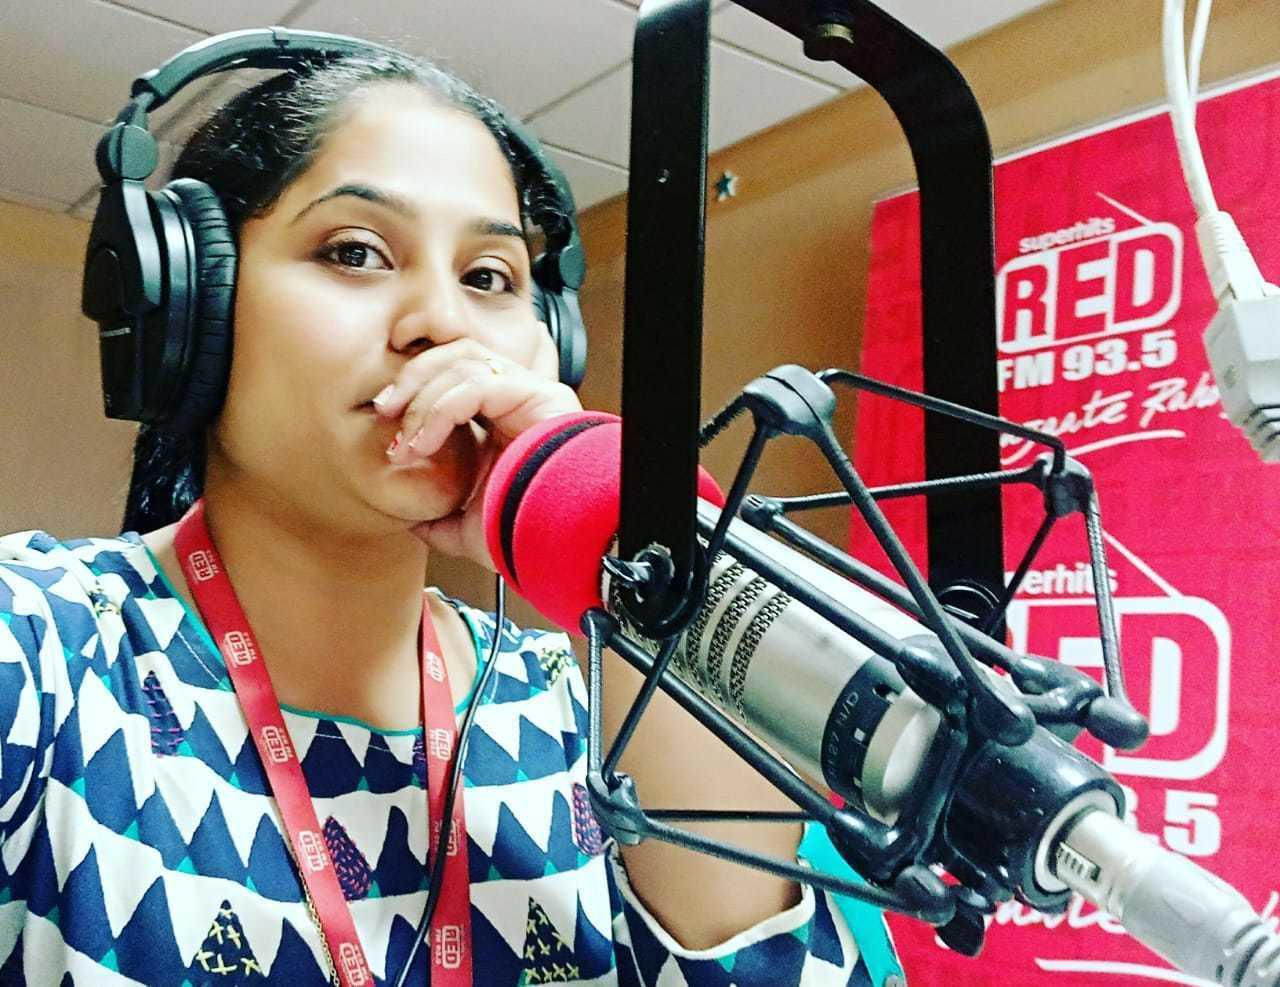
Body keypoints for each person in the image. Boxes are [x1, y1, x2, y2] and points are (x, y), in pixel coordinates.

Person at [0, 41, 888, 984]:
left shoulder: (584, 705)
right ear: (193, 307)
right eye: (355, 252)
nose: (444, 320)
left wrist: (595, 506)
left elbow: (760, 964)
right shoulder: (44, 645)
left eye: (489, 277)